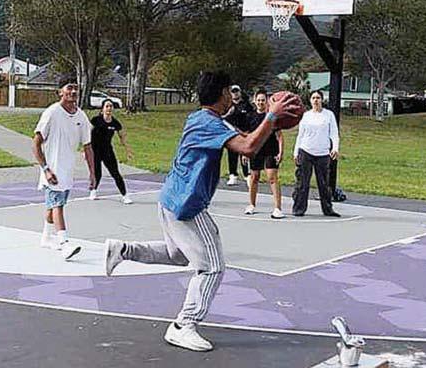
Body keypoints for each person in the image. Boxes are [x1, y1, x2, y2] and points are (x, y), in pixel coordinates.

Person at [103, 71, 299, 352]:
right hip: (188, 205)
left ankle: (122, 250)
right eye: (229, 92)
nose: (232, 97)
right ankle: (183, 325)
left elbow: (244, 137)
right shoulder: (209, 123)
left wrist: (271, 121)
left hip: (170, 198)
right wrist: (272, 116)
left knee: (178, 255)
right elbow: (247, 147)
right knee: (212, 268)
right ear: (222, 94)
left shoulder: (202, 118)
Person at [33, 79, 96, 261]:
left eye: (76, 88)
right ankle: (64, 243)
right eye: (69, 88)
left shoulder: (81, 117)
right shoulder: (52, 113)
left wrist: (92, 173)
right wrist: (46, 169)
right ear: (60, 92)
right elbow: (35, 144)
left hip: (67, 171)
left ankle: (46, 237)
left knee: (53, 204)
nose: (73, 91)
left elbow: (87, 146)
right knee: (57, 205)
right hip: (53, 171)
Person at [292, 90, 340, 217]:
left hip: (323, 153)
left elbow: (334, 133)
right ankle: (299, 208)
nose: (316, 100)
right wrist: (296, 152)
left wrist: (335, 148)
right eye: (313, 98)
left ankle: (328, 209)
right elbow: (300, 135)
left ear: (322, 100)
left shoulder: (329, 115)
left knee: (324, 183)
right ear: (310, 100)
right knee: (302, 182)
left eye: (318, 98)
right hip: (306, 151)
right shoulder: (306, 116)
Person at [243, 89, 285, 219]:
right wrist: (245, 152)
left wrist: (281, 152)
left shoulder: (271, 116)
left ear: (266, 101)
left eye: (263, 100)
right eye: (258, 100)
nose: (260, 102)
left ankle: (277, 208)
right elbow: (246, 136)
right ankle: (251, 204)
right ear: (255, 101)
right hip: (256, 151)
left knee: (272, 177)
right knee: (254, 177)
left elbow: (279, 136)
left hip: (270, 151)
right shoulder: (250, 116)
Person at [88, 99, 135, 204]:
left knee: (115, 173)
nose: (109, 108)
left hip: (107, 151)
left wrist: (128, 150)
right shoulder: (96, 120)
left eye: (111, 106)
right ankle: (93, 191)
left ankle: (125, 196)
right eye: (107, 106)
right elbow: (87, 135)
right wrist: (85, 150)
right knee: (97, 173)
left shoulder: (115, 123)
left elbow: (122, 137)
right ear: (102, 109)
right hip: (95, 151)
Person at [223, 84, 254, 186]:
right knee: (232, 155)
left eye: (237, 91)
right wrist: (228, 113)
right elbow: (222, 118)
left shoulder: (246, 105)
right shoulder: (228, 105)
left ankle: (247, 175)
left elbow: (251, 118)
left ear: (240, 92)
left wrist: (248, 132)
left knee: (244, 154)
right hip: (231, 134)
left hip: (244, 133)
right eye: (233, 92)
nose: (235, 94)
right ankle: (233, 175)